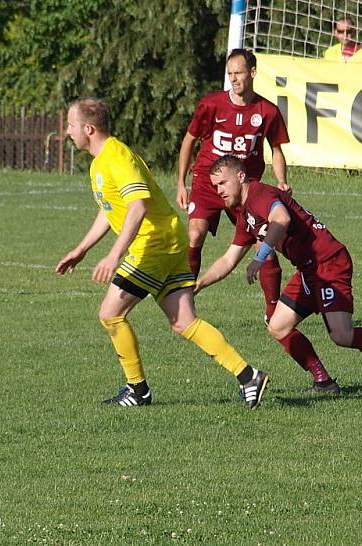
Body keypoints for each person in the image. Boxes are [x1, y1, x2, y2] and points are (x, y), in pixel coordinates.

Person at [56, 99, 269, 409]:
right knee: (184, 322)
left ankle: (137, 390)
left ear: (89, 129)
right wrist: (81, 250)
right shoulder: (100, 162)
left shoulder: (117, 158)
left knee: (110, 314)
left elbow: (139, 206)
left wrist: (115, 255)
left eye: (71, 125)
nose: (67, 131)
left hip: (153, 245)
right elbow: (110, 210)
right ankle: (248, 375)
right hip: (170, 241)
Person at [196, 155, 362, 396]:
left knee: (341, 334)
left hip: (329, 263)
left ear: (241, 176)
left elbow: (282, 218)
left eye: (223, 183)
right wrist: (198, 283)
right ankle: (324, 381)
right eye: (216, 186)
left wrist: (260, 255)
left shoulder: (259, 194)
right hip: (309, 270)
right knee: (278, 326)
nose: (219, 190)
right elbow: (228, 259)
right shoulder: (245, 216)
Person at [177, 48, 290, 326]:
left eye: (238, 73)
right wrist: (180, 181)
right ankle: (186, 304)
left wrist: (281, 180)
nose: (234, 79)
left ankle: (272, 310)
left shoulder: (267, 111)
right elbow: (189, 140)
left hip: (244, 187)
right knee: (194, 234)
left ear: (252, 72)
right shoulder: (211, 105)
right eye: (230, 74)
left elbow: (275, 149)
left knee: (264, 243)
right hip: (207, 181)